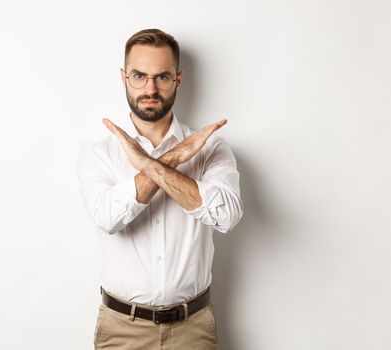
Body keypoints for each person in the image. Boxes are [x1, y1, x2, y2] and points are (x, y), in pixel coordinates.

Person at [77, 28, 244, 349]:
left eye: (162, 77)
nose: (150, 88)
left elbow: (227, 216)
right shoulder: (98, 152)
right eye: (139, 75)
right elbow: (108, 217)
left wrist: (151, 164)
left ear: (178, 80)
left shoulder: (210, 148)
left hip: (193, 329)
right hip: (122, 330)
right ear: (124, 77)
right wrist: (174, 159)